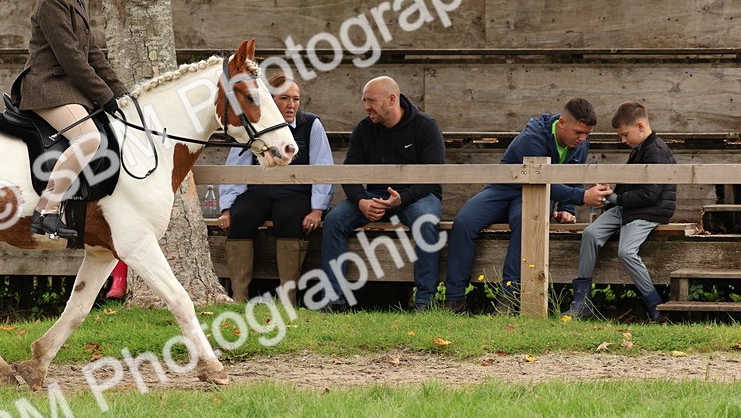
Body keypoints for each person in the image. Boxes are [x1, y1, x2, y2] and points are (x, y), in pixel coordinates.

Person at [445, 98, 612, 312]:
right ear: (561, 122)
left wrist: (567, 210)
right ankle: (454, 300)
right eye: (578, 132)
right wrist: (581, 197)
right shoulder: (532, 138)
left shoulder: (580, 144)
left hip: (536, 195)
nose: (582, 138)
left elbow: (570, 178)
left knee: (526, 222)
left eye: (587, 134)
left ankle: (508, 299)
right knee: (464, 222)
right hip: (505, 188)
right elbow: (540, 177)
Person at [16, 0, 128, 239]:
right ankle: (46, 211)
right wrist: (105, 97)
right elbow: (73, 62)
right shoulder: (52, 0)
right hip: (46, 87)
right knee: (88, 139)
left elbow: (94, 55)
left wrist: (122, 94)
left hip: (65, 88)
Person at [319, 76, 445, 311]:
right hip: (374, 194)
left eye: (371, 101)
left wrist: (402, 199)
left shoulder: (426, 126)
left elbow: (433, 178)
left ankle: (424, 300)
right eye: (364, 101)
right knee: (334, 220)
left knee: (426, 221)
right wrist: (361, 201)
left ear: (392, 99)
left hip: (415, 196)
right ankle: (333, 300)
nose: (367, 107)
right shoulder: (364, 128)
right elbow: (350, 173)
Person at [219, 76, 333, 308]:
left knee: (287, 217)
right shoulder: (254, 125)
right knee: (241, 216)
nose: (292, 104)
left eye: (296, 99)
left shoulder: (311, 125)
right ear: (270, 101)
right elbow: (235, 166)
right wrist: (227, 208)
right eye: (285, 99)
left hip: (295, 193)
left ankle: (288, 299)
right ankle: (239, 297)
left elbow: (323, 166)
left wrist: (317, 210)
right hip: (259, 191)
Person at [567, 102, 676, 322]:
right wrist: (609, 199)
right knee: (590, 234)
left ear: (640, 126)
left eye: (625, 134)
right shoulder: (640, 149)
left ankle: (655, 304)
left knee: (626, 252)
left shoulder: (655, 151)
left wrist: (617, 199)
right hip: (627, 208)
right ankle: (582, 299)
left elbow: (650, 194)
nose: (623, 140)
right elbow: (629, 188)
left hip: (649, 212)